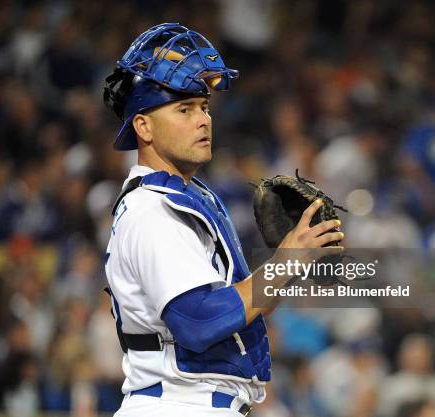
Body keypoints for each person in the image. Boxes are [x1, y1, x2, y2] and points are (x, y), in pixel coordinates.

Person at [103, 23, 343, 417]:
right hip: (178, 406)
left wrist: (294, 262)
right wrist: (284, 263)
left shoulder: (188, 197)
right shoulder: (153, 210)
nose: (203, 120)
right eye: (184, 109)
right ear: (142, 126)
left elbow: (238, 308)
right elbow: (199, 320)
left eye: (204, 107)